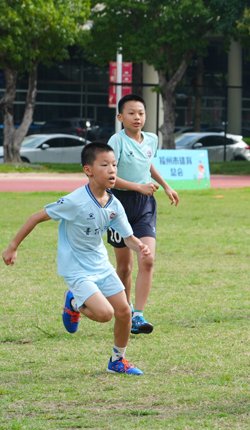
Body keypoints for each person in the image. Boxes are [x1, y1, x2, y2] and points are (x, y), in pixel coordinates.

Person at [2, 143, 150, 375]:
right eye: (104, 165)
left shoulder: (114, 205)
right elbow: (36, 217)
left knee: (123, 312)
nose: (112, 170)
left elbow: (128, 237)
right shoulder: (74, 201)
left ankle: (117, 361)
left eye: (114, 165)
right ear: (88, 170)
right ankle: (73, 302)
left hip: (101, 265)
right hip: (76, 269)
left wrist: (139, 245)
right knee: (104, 314)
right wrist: (12, 247)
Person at [107, 94, 179, 334]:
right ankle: (124, 311)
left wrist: (166, 185)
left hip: (146, 204)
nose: (137, 117)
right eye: (131, 113)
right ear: (120, 117)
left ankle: (138, 315)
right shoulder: (116, 141)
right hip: (119, 205)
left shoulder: (151, 139)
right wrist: (138, 186)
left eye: (141, 113)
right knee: (125, 267)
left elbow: (147, 164)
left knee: (147, 259)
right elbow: (110, 178)